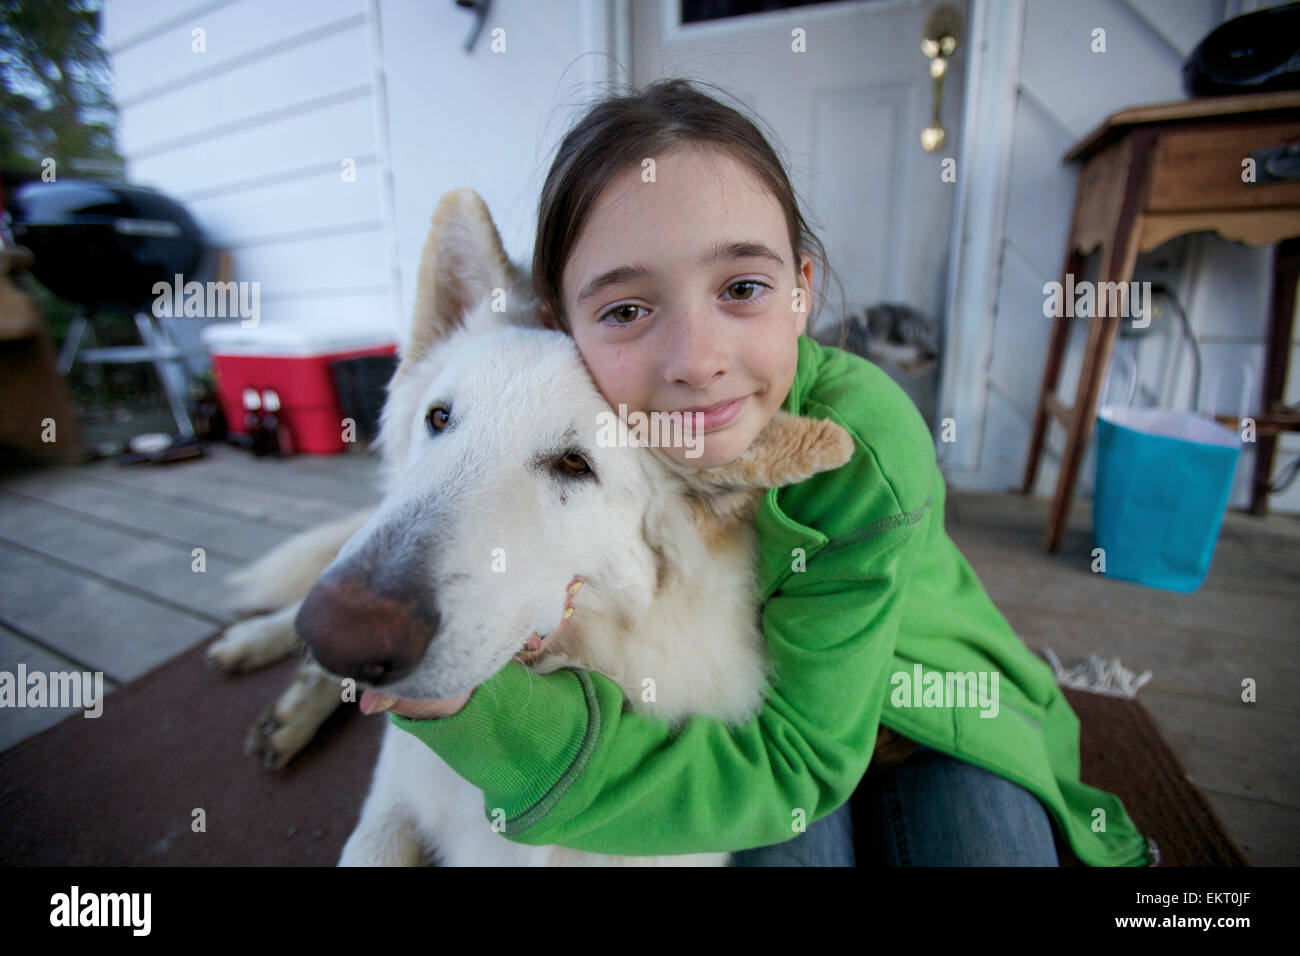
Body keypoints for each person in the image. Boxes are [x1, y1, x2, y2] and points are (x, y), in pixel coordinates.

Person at [385, 78, 1156, 867]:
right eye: (625, 309)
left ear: (801, 295)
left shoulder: (869, 442)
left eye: (743, 289)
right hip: (760, 721)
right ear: (559, 325)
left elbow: (804, 763)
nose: (698, 361)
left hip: (924, 711)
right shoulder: (584, 409)